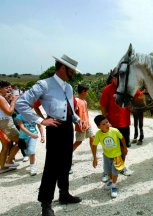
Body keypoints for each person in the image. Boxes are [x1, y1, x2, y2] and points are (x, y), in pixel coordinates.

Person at [15, 54, 82, 216]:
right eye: (72, 70)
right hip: (54, 127)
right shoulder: (44, 84)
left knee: (66, 163)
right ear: (63, 68)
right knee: (52, 166)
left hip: (67, 129)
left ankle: (64, 194)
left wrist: (77, 119)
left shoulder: (68, 87)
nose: (73, 73)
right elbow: (20, 103)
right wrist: (41, 120)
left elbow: (70, 109)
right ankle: (46, 204)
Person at [100, 71, 132, 180]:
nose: (119, 79)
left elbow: (138, 96)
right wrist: (105, 122)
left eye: (122, 76)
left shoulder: (127, 88)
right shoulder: (107, 89)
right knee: (110, 149)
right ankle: (107, 171)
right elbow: (103, 105)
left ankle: (120, 167)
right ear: (112, 77)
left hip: (125, 123)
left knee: (123, 148)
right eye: (116, 77)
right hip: (112, 125)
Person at [92, 114, 128, 198]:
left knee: (115, 172)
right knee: (108, 171)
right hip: (106, 156)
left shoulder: (114, 130)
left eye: (107, 122)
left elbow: (122, 138)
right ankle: (111, 180)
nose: (107, 125)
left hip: (117, 155)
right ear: (98, 127)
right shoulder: (98, 134)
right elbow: (94, 145)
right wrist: (95, 158)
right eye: (103, 124)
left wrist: (125, 149)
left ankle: (114, 186)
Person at [0, 80, 20, 174]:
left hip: (2, 123)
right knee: (22, 142)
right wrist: (13, 102)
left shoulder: (2, 97)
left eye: (10, 87)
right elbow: (9, 112)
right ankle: (9, 162)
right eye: (7, 87)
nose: (10, 89)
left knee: (6, 145)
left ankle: (3, 167)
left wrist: (8, 99)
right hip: (6, 123)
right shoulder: (1, 98)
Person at [72, 84, 96, 157]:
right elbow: (72, 113)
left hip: (87, 124)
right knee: (79, 142)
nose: (87, 93)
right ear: (83, 91)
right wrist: (78, 122)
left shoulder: (84, 101)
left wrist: (88, 122)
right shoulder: (76, 101)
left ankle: (94, 155)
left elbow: (86, 113)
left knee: (92, 138)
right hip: (80, 126)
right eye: (87, 91)